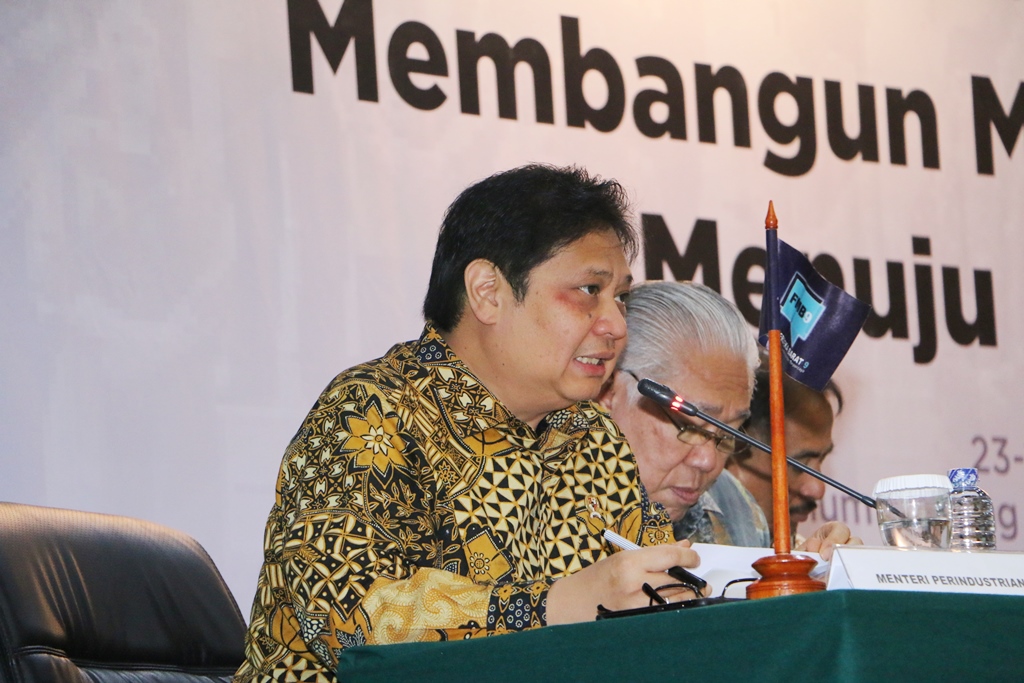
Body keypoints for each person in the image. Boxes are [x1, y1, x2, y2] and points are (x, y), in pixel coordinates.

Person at [235, 165, 697, 682]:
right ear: (487, 292)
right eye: (589, 289)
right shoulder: (373, 412)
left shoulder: (591, 434)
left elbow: (660, 590)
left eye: (620, 298)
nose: (615, 325)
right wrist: (556, 605)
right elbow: (348, 617)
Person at [599, 281, 855, 556]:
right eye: (689, 426)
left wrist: (807, 570)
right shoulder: (565, 502)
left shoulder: (734, 509)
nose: (708, 461)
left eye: (726, 435)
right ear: (608, 391)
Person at [728, 365, 843, 544]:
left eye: (821, 460)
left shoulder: (806, 551)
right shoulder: (687, 549)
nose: (818, 489)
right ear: (730, 448)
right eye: (798, 465)